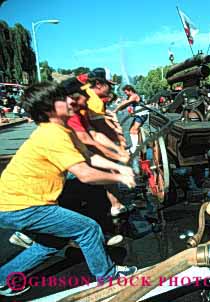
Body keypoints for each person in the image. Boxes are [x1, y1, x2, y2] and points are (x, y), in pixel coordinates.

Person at [0, 82, 137, 297]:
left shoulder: (62, 129)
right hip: (22, 205)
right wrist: (120, 177)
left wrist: (118, 164)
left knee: (51, 243)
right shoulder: (52, 134)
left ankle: (4, 279)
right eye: (63, 99)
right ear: (48, 109)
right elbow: (85, 174)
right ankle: (109, 279)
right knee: (88, 229)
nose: (71, 101)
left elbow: (89, 157)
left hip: (16, 202)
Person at [63, 77, 130, 217]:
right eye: (85, 95)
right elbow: (86, 140)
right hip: (66, 163)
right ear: (72, 98)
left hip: (77, 154)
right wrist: (117, 158)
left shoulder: (81, 111)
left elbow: (94, 135)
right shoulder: (70, 114)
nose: (88, 98)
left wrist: (118, 152)